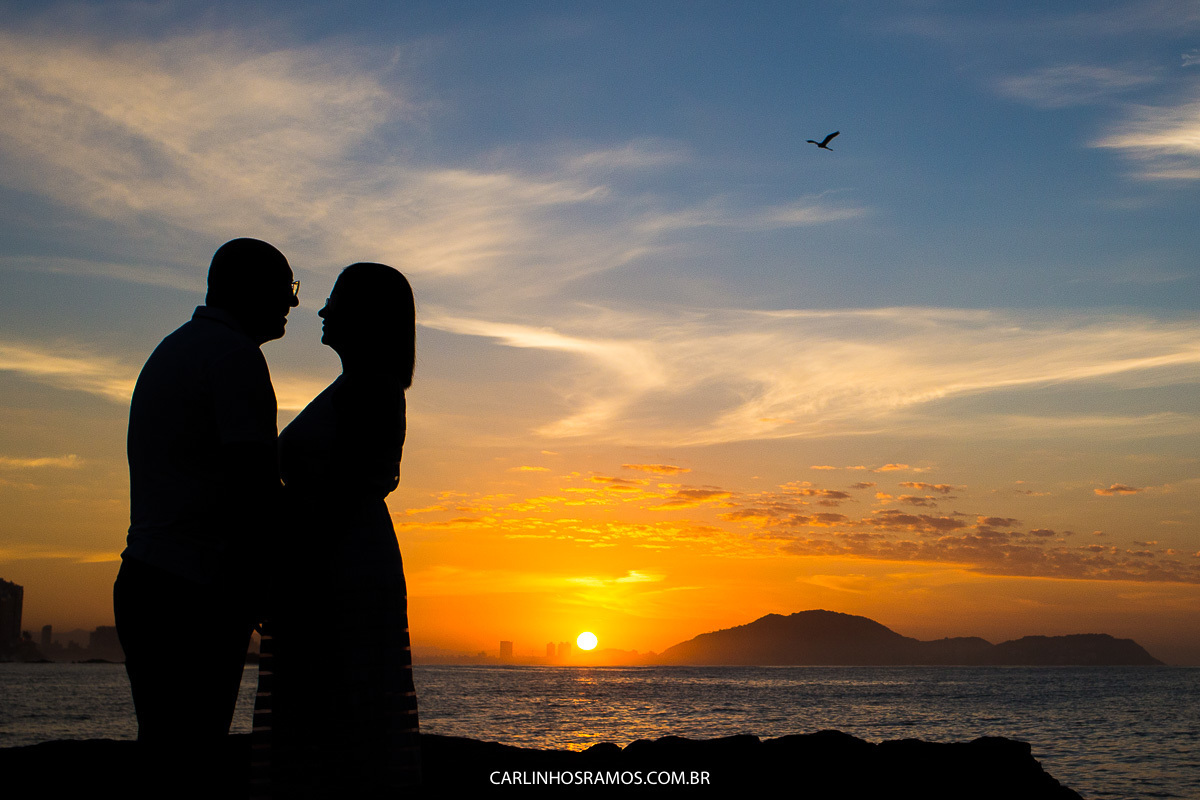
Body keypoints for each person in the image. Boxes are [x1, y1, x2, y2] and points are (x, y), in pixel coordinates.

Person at [114, 238, 299, 797]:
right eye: (285, 290)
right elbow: (255, 485)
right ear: (248, 290)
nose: (291, 305)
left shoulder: (179, 348)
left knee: (167, 750)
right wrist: (271, 585)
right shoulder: (234, 358)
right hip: (193, 589)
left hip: (152, 576)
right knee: (191, 758)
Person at [255, 263, 420, 798]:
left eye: (336, 302)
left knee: (340, 688)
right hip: (335, 554)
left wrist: (291, 567)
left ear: (366, 317)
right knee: (327, 691)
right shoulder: (354, 386)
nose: (322, 312)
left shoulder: (371, 389)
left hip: (340, 563)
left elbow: (348, 489)